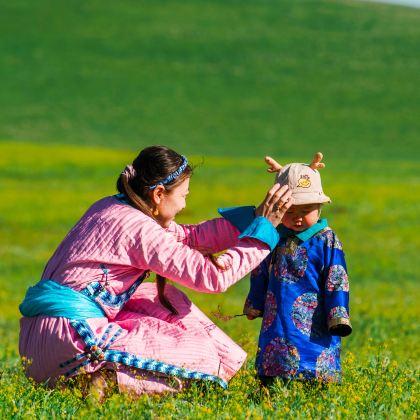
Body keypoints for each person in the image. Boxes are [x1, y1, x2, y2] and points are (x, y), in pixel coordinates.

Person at [19, 145, 294, 397]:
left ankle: (100, 377)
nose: (184, 204)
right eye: (183, 195)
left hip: (36, 343)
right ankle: (106, 382)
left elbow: (191, 237)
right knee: (203, 356)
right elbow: (213, 278)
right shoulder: (140, 229)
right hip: (72, 342)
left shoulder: (111, 206)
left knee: (161, 296)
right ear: (159, 194)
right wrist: (263, 234)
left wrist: (260, 218)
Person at [244, 153, 352, 384]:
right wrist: (255, 302)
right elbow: (259, 270)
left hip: (317, 317)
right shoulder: (274, 237)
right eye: (290, 212)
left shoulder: (326, 239)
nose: (298, 218)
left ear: (320, 207)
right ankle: (270, 386)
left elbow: (337, 277)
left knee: (316, 365)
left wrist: (338, 315)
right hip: (278, 315)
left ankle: (316, 388)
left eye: (306, 210)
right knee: (275, 360)